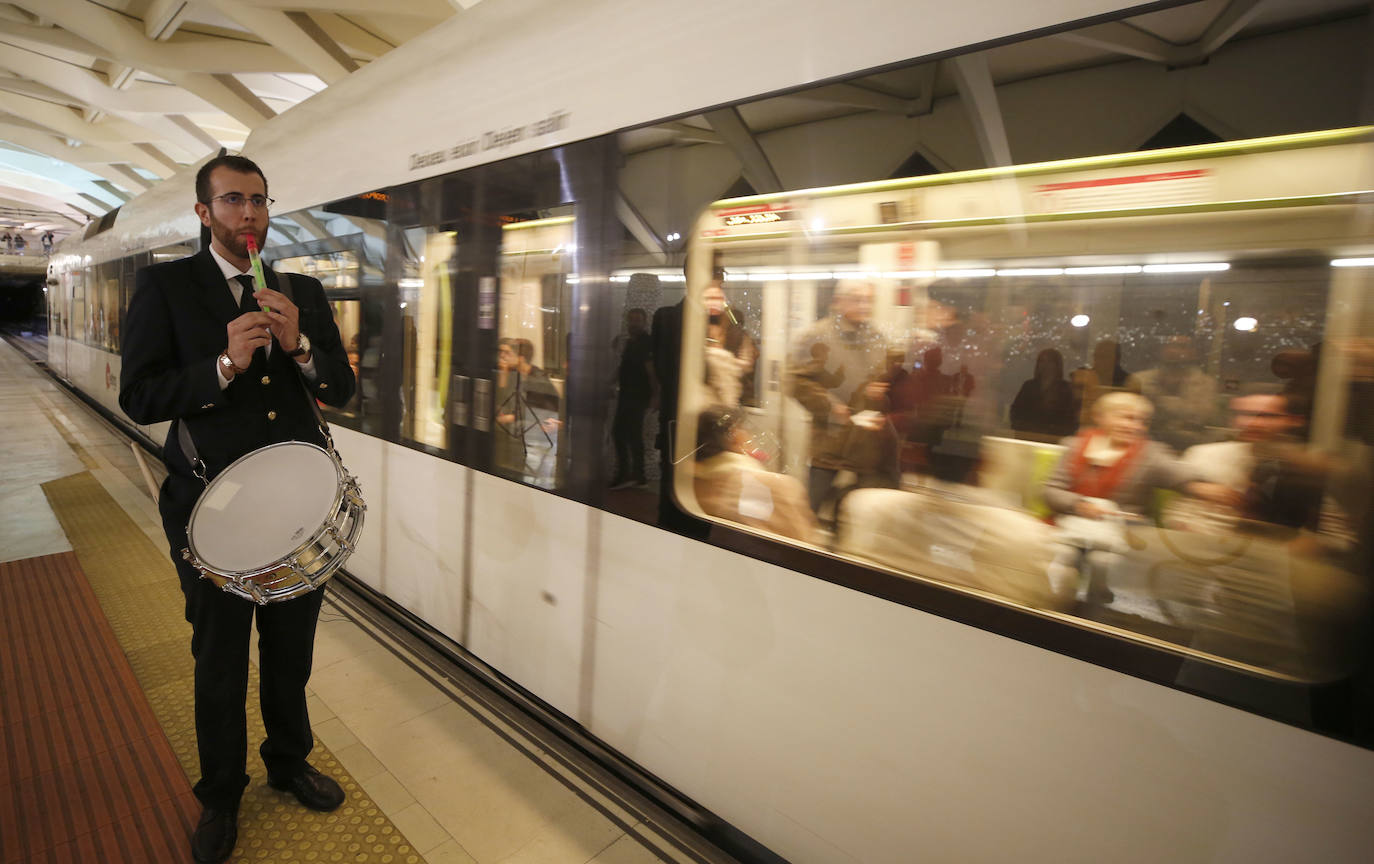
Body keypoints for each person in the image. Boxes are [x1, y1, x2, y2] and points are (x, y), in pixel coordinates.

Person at [118, 154, 356, 864]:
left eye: (257, 201)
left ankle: (288, 761)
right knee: (219, 657)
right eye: (230, 201)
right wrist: (222, 366)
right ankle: (221, 794)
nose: (247, 213)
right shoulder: (165, 289)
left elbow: (340, 386)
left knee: (291, 652)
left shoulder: (300, 289)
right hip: (209, 511)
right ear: (203, 213)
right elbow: (140, 395)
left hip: (296, 513)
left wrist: (300, 347)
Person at [1041, 391, 1236, 604]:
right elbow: (1051, 491)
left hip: (1122, 531)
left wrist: (1205, 488)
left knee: (1101, 561)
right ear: (1101, 417)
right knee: (1063, 555)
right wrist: (1078, 504)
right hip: (1071, 524)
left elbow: (1182, 475)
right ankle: (1058, 607)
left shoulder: (1150, 454)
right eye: (1126, 417)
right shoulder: (1075, 445)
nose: (1135, 426)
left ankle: (1094, 610)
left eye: (1141, 421)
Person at [787, 280, 898, 520]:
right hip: (830, 441)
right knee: (810, 510)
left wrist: (882, 391)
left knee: (861, 514)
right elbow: (795, 381)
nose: (864, 305)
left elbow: (887, 377)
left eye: (869, 300)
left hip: (867, 443)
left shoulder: (877, 337)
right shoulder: (817, 336)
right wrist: (830, 407)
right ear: (839, 302)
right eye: (857, 299)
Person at [692, 406, 818, 543]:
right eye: (744, 428)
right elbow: (802, 544)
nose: (749, 435)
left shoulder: (693, 485)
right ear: (734, 436)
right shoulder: (780, 487)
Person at [1126, 335, 1218, 451]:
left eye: (1182, 347)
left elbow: (1200, 417)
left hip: (1190, 446)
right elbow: (1132, 413)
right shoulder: (1140, 380)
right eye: (1170, 345)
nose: (1174, 350)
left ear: (1193, 352)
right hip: (1145, 442)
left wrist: (1157, 399)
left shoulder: (1206, 384)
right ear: (1161, 350)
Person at [610, 307, 655, 489]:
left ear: (644, 322)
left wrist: (656, 395)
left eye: (637, 320)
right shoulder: (631, 343)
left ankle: (630, 473)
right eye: (631, 320)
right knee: (629, 435)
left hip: (637, 395)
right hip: (628, 394)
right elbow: (623, 368)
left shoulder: (645, 343)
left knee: (625, 434)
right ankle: (636, 474)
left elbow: (650, 370)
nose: (633, 324)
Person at [1009, 348, 1079, 440]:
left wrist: (1054, 433)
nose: (1045, 365)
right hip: (1028, 437)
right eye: (1042, 361)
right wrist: (1025, 430)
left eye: (1050, 362)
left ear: (1057, 365)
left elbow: (1071, 420)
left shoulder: (1065, 389)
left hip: (1054, 440)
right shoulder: (1029, 386)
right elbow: (1016, 412)